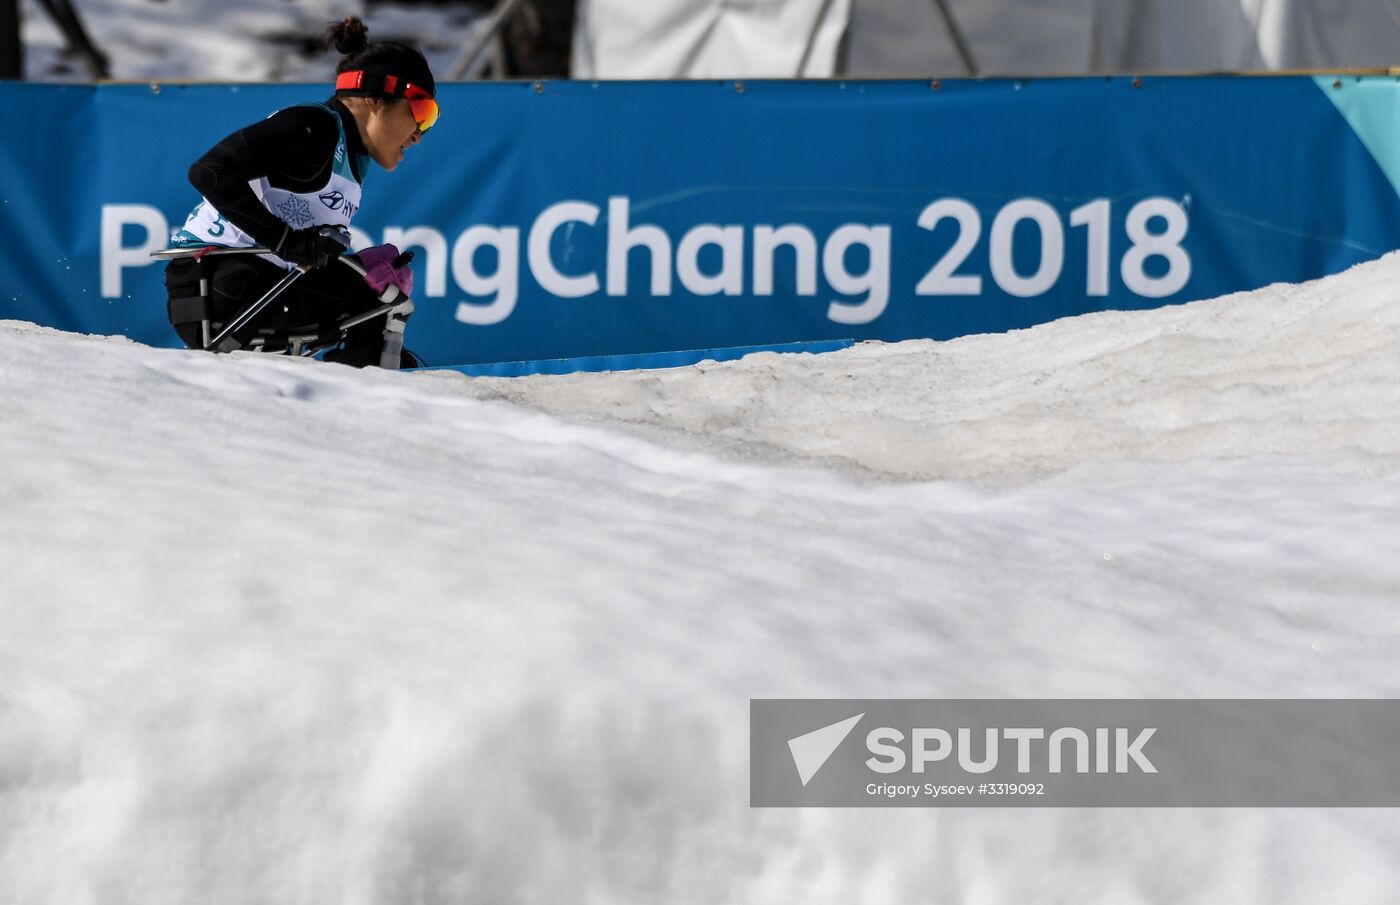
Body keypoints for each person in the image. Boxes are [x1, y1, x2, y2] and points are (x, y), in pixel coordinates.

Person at [164, 17, 438, 367]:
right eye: (421, 111)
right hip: (219, 288)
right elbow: (209, 172)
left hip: (245, 283)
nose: (419, 134)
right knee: (380, 304)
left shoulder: (346, 151)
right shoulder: (314, 128)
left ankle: (369, 387)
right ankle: (372, 394)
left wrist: (352, 266)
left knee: (381, 297)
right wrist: (290, 242)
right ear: (375, 98)